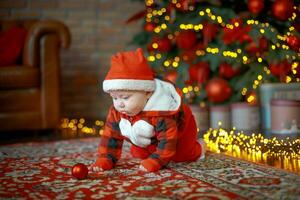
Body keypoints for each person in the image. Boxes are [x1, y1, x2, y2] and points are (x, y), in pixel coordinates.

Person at [90, 48, 205, 172]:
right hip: (151, 137)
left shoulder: (162, 111)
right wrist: (106, 158)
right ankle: (147, 149)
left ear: (148, 92)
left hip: (180, 131)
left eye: (125, 97)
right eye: (114, 98)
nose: (120, 104)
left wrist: (156, 161)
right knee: (140, 154)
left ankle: (201, 146)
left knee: (182, 156)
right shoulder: (117, 112)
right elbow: (110, 136)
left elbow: (168, 142)